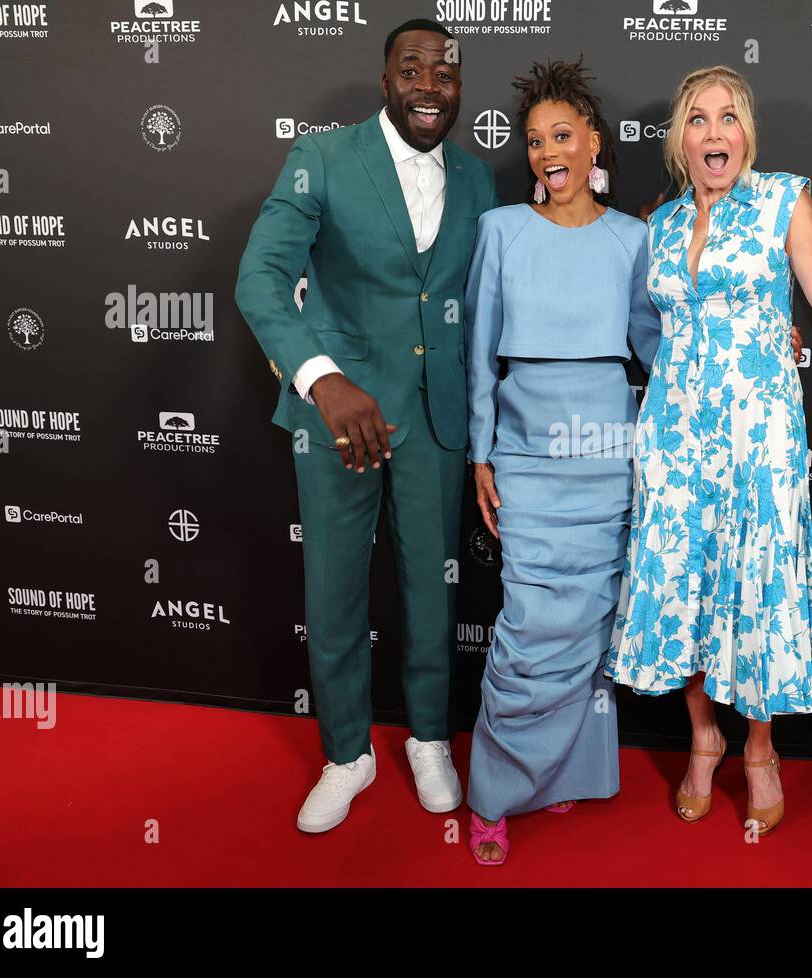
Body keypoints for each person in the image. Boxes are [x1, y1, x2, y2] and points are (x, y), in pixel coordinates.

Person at [607, 65, 812, 837]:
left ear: (747, 133)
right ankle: (703, 738)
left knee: (758, 580)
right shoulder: (656, 225)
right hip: (675, 430)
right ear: (680, 140)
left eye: (729, 118)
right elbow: (649, 331)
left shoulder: (784, 197)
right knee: (682, 578)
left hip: (760, 430)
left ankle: (759, 750)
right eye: (699, 119)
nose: (715, 132)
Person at [234, 18, 499, 833]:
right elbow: (260, 278)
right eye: (411, 69)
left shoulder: (479, 179)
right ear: (385, 80)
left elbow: (491, 302)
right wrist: (323, 381)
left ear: (459, 89)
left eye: (444, 74)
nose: (429, 85)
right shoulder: (323, 159)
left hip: (435, 417)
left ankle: (427, 740)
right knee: (336, 591)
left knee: (432, 593)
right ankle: (348, 753)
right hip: (339, 422)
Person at [461, 56, 662, 866]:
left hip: (609, 458)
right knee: (530, 631)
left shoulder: (633, 238)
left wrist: (750, 342)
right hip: (529, 458)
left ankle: (567, 771)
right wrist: (481, 453)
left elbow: (657, 349)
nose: (548, 150)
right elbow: (479, 353)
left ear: (592, 143)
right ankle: (496, 793)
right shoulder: (500, 231)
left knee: (588, 631)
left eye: (563, 135)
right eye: (535, 138)